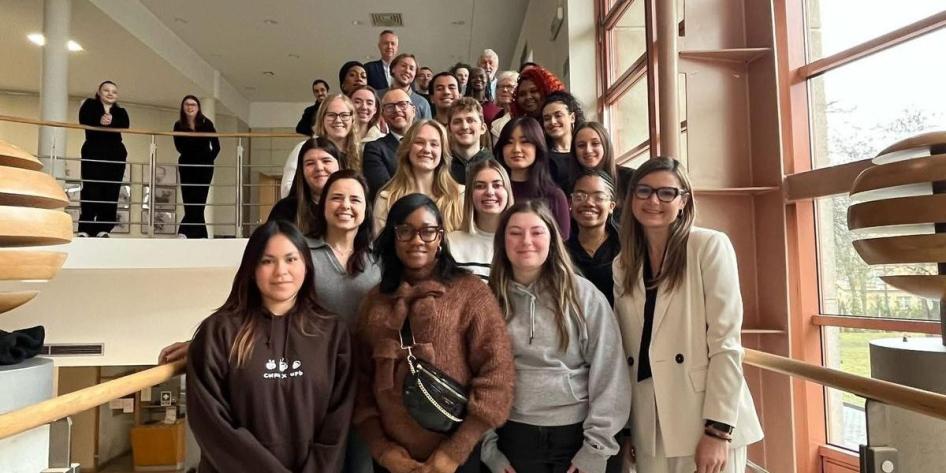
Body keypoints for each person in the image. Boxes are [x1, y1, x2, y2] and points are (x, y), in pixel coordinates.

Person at [613, 158, 763, 473]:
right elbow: (628, 350)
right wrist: (628, 429)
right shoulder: (624, 264)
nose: (653, 200)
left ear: (683, 201)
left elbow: (726, 342)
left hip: (702, 416)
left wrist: (718, 430)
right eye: (643, 191)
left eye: (666, 193)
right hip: (648, 420)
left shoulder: (708, 247)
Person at [353, 193, 515, 473]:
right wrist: (383, 450)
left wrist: (454, 453)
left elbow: (497, 374)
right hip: (392, 461)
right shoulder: (374, 301)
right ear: (393, 237)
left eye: (428, 231)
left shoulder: (471, 292)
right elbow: (359, 381)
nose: (417, 240)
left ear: (440, 237)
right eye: (405, 231)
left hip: (455, 458)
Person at [187, 219, 354, 473]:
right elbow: (211, 423)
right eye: (267, 261)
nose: (281, 271)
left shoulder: (333, 332)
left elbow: (338, 422)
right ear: (252, 269)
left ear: (307, 266)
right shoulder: (218, 332)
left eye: (291, 259)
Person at [483, 200, 630, 473]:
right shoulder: (487, 300)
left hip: (576, 435)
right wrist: (489, 450)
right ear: (502, 241)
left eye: (537, 232)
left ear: (552, 238)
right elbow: (476, 377)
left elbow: (610, 372)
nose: (526, 241)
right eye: (515, 232)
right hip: (513, 435)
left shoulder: (583, 296)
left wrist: (596, 449)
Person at [372, 120, 464, 236]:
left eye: (434, 144)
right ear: (408, 148)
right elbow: (380, 249)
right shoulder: (387, 199)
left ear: (442, 153)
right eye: (419, 142)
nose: (426, 149)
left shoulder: (460, 196)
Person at [495, 116, 570, 238]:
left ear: (538, 147)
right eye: (509, 142)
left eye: (525, 142)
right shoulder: (494, 192)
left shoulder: (554, 196)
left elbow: (561, 247)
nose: (516, 149)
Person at [282, 94, 362, 197]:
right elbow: (286, 190)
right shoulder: (304, 148)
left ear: (352, 119)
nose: (338, 120)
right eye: (331, 115)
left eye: (344, 115)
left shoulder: (359, 153)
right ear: (322, 118)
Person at [77, 80, 130, 238]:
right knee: (91, 189)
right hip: (93, 151)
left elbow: (125, 124)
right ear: (99, 92)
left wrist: (111, 121)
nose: (110, 94)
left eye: (114, 91)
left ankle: (103, 227)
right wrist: (99, 121)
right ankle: (85, 227)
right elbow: (83, 119)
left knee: (111, 191)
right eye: (106, 90)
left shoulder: (121, 111)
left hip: (115, 154)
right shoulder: (89, 105)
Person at [447, 159, 513, 280]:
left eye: (497, 185)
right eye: (480, 186)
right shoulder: (450, 243)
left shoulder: (519, 243)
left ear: (507, 192)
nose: (489, 192)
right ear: (470, 195)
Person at [567, 171, 620, 306]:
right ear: (571, 203)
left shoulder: (628, 247)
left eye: (599, 197)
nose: (589, 203)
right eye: (580, 196)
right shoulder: (560, 251)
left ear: (611, 207)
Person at [173, 95, 221, 239]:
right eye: (187, 104)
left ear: (198, 107)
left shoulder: (206, 123)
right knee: (189, 199)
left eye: (193, 104)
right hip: (187, 166)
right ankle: (201, 235)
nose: (190, 107)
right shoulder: (178, 125)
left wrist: (208, 159)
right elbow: (179, 147)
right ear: (183, 107)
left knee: (200, 201)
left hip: (204, 167)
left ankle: (184, 231)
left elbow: (216, 146)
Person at [270, 137, 343, 226]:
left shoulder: (354, 205)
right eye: (310, 163)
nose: (319, 168)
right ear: (302, 171)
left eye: (326, 161)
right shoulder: (285, 209)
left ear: (339, 165)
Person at [363, 88, 417, 200]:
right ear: (382, 114)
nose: (396, 110)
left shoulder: (430, 143)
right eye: (390, 107)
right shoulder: (375, 149)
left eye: (402, 104)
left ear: (413, 110)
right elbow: (383, 189)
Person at [571, 122, 634, 217]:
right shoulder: (568, 183)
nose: (588, 150)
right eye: (581, 145)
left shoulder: (630, 178)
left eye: (595, 143)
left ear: (605, 146)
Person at [542, 91, 585, 192]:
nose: (552, 122)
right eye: (547, 118)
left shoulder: (586, 151)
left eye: (558, 115)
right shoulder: (542, 157)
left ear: (572, 118)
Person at [447, 97, 492, 185]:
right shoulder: (442, 167)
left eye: (470, 120)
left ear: (483, 128)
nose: (464, 126)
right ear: (449, 130)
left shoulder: (494, 166)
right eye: (457, 121)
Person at [384, 53, 432, 120]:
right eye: (403, 66)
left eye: (411, 68)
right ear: (393, 69)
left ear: (415, 75)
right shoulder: (378, 97)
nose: (407, 71)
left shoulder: (422, 103)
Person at [489, 71, 519, 146]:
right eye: (501, 86)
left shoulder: (521, 117)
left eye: (509, 86)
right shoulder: (496, 117)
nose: (504, 90)